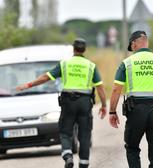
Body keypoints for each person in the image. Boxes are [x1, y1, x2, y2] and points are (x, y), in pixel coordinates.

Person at [16, 38, 107, 168]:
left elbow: (45, 77)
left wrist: (28, 84)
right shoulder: (91, 66)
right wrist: (104, 105)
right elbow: (100, 87)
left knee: (65, 131)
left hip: (68, 101)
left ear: (73, 49)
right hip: (85, 102)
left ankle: (68, 155)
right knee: (85, 134)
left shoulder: (65, 64)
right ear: (84, 50)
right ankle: (83, 164)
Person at [109, 30, 153, 168]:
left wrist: (112, 112)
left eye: (131, 48)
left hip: (136, 110)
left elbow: (115, 89)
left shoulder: (127, 63)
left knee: (132, 148)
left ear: (134, 44)